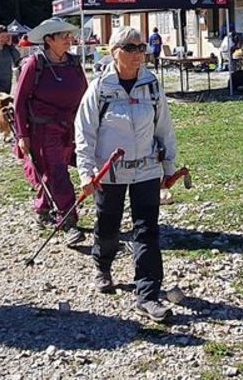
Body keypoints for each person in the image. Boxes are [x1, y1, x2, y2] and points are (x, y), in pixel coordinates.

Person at [75, 27, 179, 321]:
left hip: (146, 168)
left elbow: (164, 128)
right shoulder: (99, 88)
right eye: (131, 48)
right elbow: (84, 133)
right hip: (110, 172)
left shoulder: (151, 85)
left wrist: (169, 167)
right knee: (108, 225)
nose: (138, 54)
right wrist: (86, 173)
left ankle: (148, 295)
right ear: (114, 52)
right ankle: (103, 265)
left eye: (141, 47)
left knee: (147, 230)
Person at [13, 18, 88, 244]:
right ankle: (67, 220)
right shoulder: (34, 64)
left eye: (69, 35)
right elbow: (19, 102)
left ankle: (43, 209)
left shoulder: (73, 63)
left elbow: (86, 96)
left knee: (54, 170)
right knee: (57, 172)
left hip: (71, 127)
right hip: (44, 129)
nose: (69, 39)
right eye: (63, 35)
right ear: (48, 40)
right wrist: (22, 135)